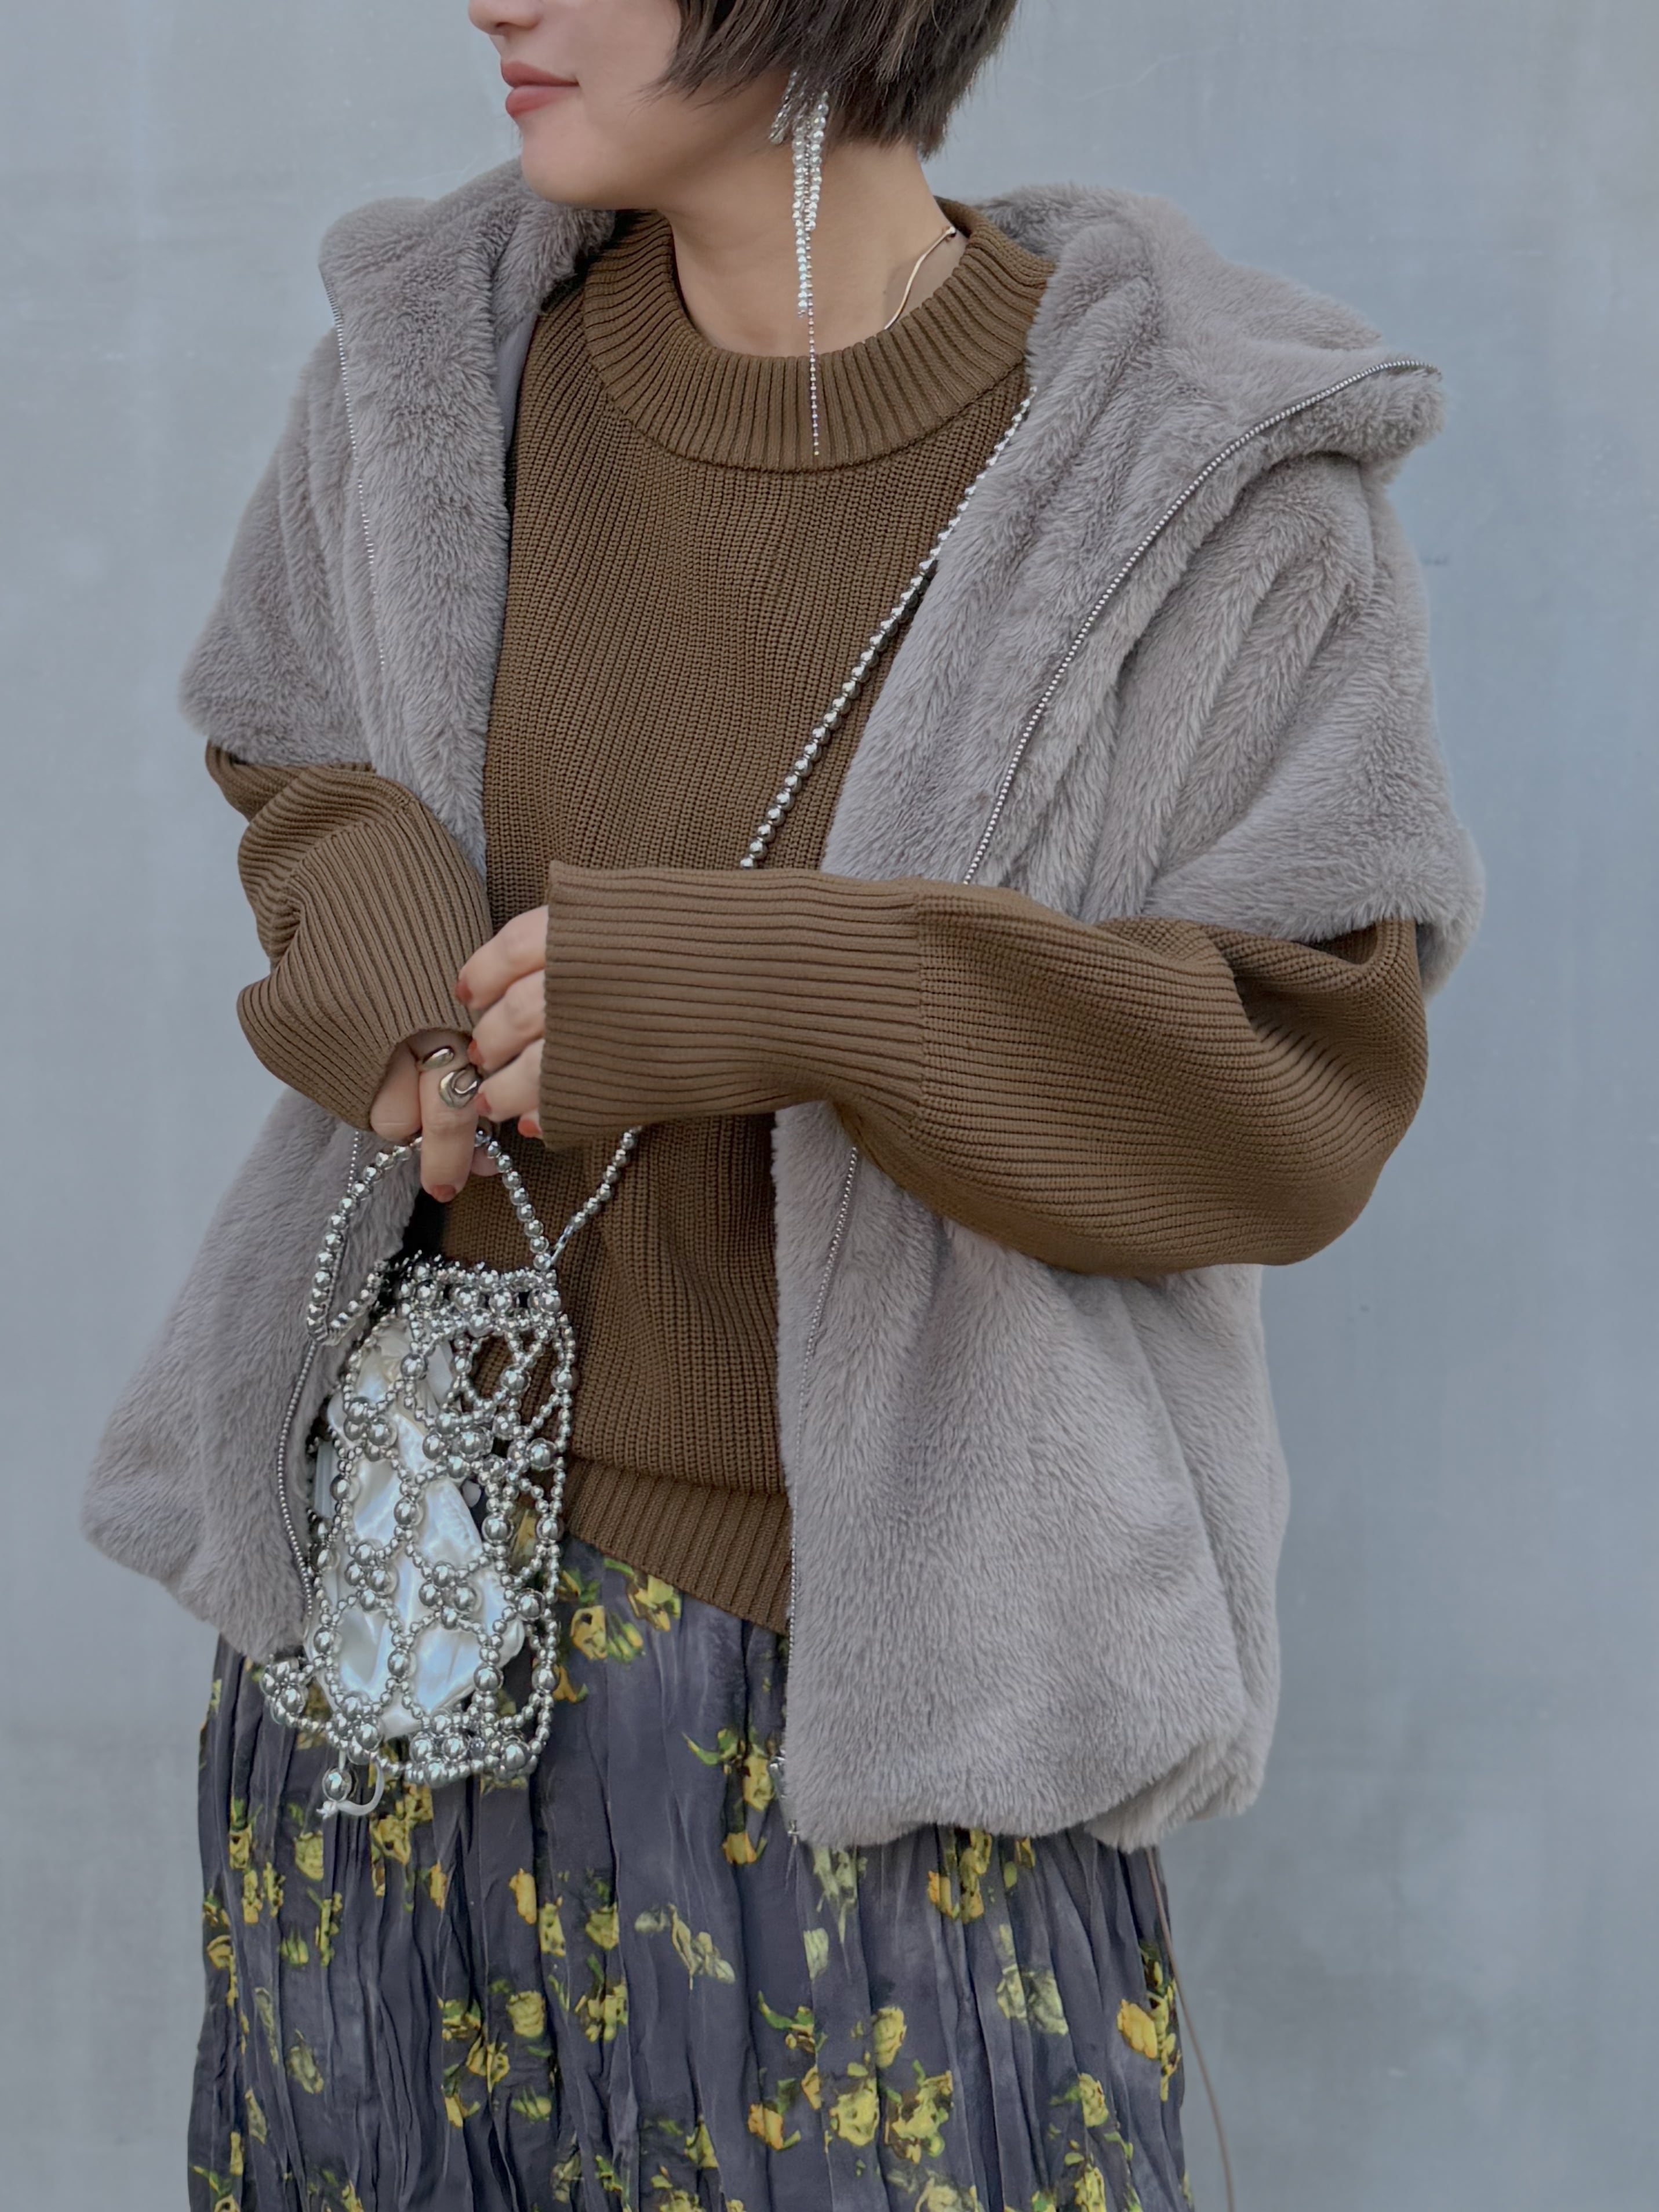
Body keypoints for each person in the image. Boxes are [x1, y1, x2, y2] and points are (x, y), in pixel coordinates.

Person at [84, 1, 1483, 2205]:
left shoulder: (1203, 485)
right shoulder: (427, 367)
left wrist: (784, 986)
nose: (496, 0)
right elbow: (301, 752)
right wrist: (394, 985)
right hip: (391, 1626)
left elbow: (1287, 1084)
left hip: (885, 1724)